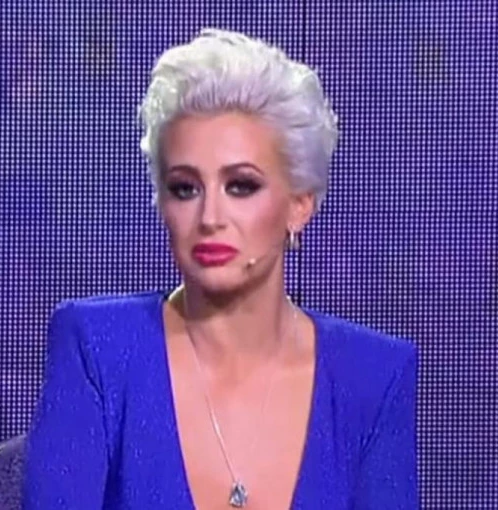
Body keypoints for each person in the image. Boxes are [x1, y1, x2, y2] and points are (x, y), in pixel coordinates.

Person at [23, 28, 419, 509]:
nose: (210, 217)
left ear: (299, 205)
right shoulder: (97, 349)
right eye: (185, 188)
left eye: (241, 186)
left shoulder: (372, 376)